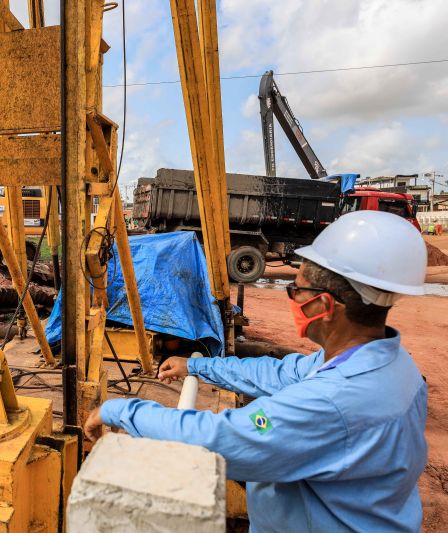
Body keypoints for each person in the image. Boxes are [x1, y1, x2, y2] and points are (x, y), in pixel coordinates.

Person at [83, 210, 428, 532]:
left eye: (296, 289)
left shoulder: (333, 402)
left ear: (323, 305)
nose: (291, 298)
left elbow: (222, 438)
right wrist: (197, 365)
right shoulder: (391, 365)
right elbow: (276, 374)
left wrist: (121, 410)